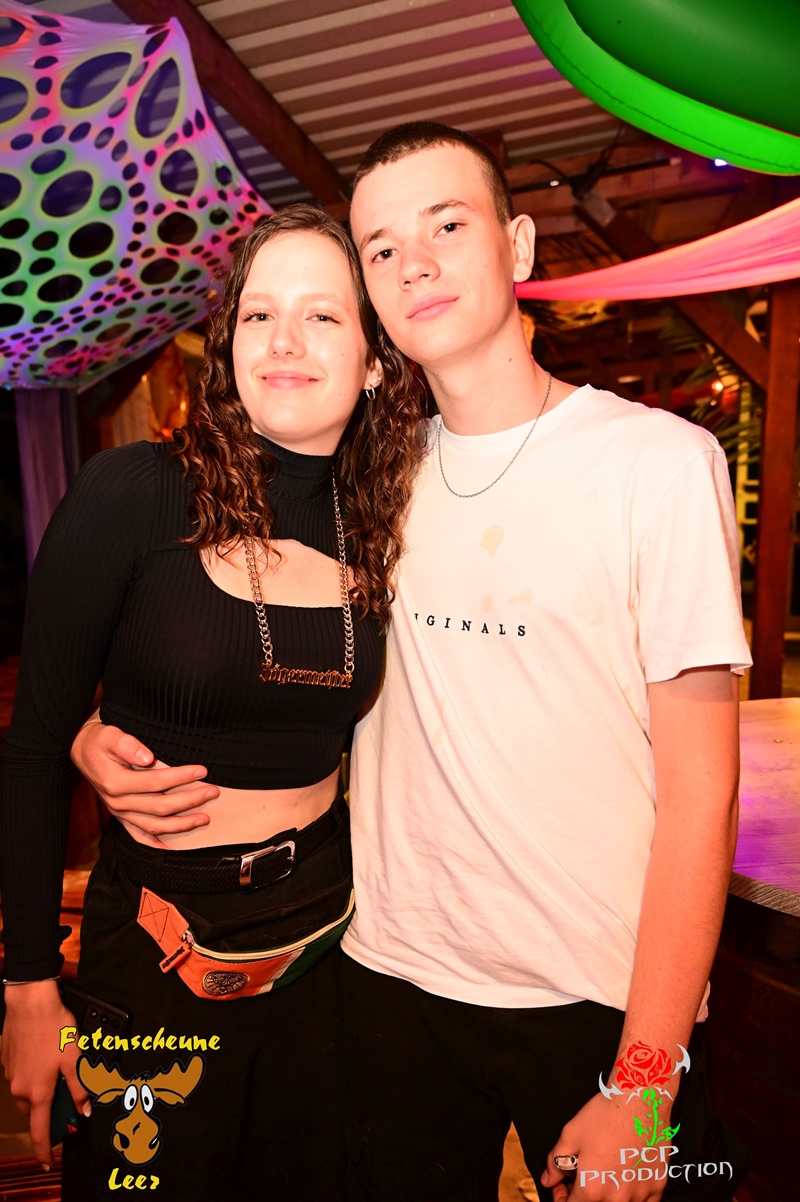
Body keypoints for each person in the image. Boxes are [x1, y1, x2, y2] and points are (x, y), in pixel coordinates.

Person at [69, 124, 752, 1202]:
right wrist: (89, 732)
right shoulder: (362, 481)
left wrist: (646, 1075)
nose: (414, 263)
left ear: (517, 245)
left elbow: (703, 793)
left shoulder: (658, 465)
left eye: (446, 225)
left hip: (600, 995)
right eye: (381, 248)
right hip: (387, 979)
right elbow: (234, 651)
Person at [0, 204, 424, 1201]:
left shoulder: (395, 518)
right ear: (227, 343)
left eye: (322, 315)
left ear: (373, 359)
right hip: (158, 945)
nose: (283, 340)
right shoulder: (133, 493)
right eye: (258, 314)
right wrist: (27, 987)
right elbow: (31, 748)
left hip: (330, 941)